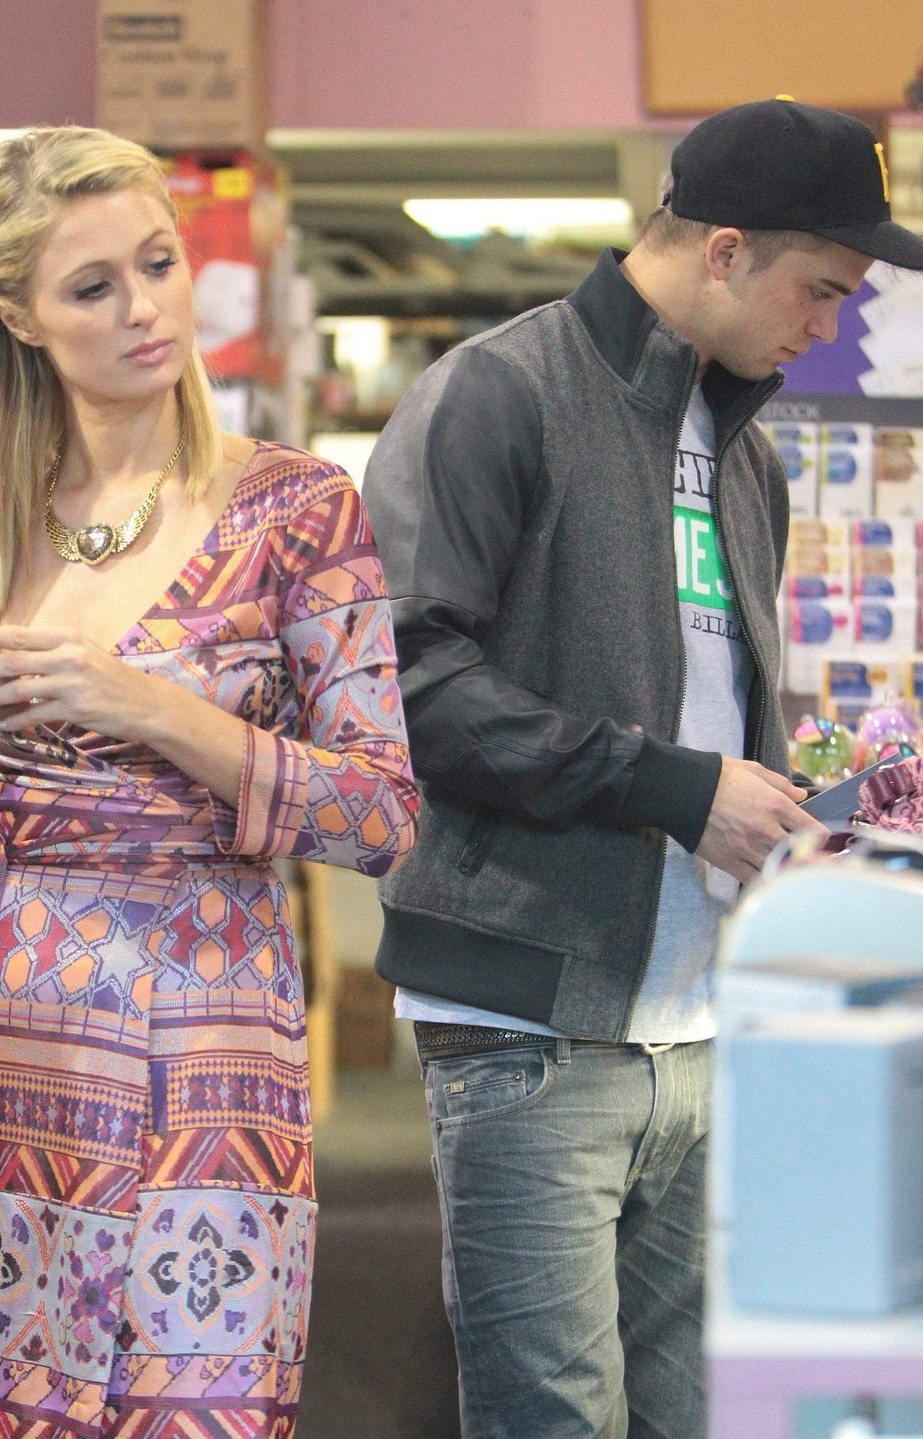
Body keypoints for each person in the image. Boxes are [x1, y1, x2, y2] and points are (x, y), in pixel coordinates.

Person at [361, 98, 923, 1439]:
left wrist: (809, 814)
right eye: (821, 287)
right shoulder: (499, 392)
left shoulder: (741, 454)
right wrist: (680, 788)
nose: (830, 325)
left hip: (700, 1024)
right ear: (723, 251)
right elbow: (407, 688)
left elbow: (707, 715)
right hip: (530, 1033)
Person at [0, 125, 418, 1439]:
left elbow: (383, 811)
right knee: (3, 1400)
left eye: (156, 264)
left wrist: (148, 708)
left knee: (193, 1402)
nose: (144, 308)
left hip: (205, 1028)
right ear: (17, 317)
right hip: (11, 1028)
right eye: (91, 286)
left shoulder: (295, 509)